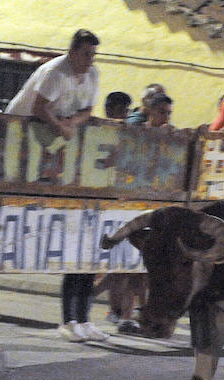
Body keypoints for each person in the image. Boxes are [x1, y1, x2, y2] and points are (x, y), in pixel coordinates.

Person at [4, 29, 107, 342]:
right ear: (73, 51)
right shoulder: (54, 72)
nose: (90, 60)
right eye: (86, 54)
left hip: (56, 146)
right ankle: (69, 320)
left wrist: (70, 125)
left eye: (93, 55)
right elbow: (39, 108)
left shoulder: (92, 75)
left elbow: (87, 110)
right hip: (21, 139)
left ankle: (82, 319)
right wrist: (60, 126)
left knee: (86, 252)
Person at [95, 91, 148, 334]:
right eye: (121, 110)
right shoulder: (99, 132)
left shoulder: (130, 135)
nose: (125, 115)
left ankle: (127, 314)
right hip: (107, 205)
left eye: (127, 111)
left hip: (127, 204)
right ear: (110, 110)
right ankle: (112, 307)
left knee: (130, 265)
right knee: (117, 267)